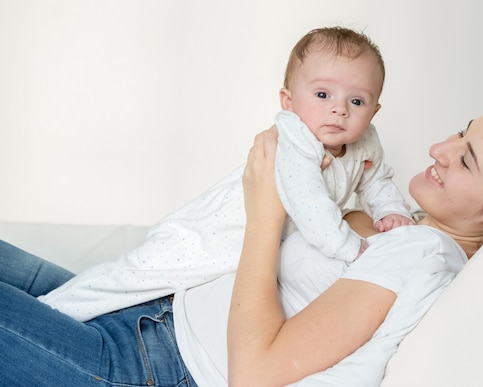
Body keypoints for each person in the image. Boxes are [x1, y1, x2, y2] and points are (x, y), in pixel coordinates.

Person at [0, 97, 483, 386]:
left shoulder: (424, 256)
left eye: (466, 159)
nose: (440, 149)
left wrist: (267, 210)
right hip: (148, 316)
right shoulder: (408, 234)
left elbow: (256, 373)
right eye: (462, 130)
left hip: (145, 365)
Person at [36, 27, 413, 322]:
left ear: (374, 111)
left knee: (136, 299)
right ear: (289, 102)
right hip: (205, 237)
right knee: (127, 281)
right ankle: (47, 314)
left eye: (356, 101)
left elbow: (376, 180)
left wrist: (390, 212)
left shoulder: (366, 142)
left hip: (244, 252)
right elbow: (311, 206)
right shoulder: (295, 139)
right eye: (322, 95)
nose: (339, 110)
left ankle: (51, 309)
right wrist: (351, 249)